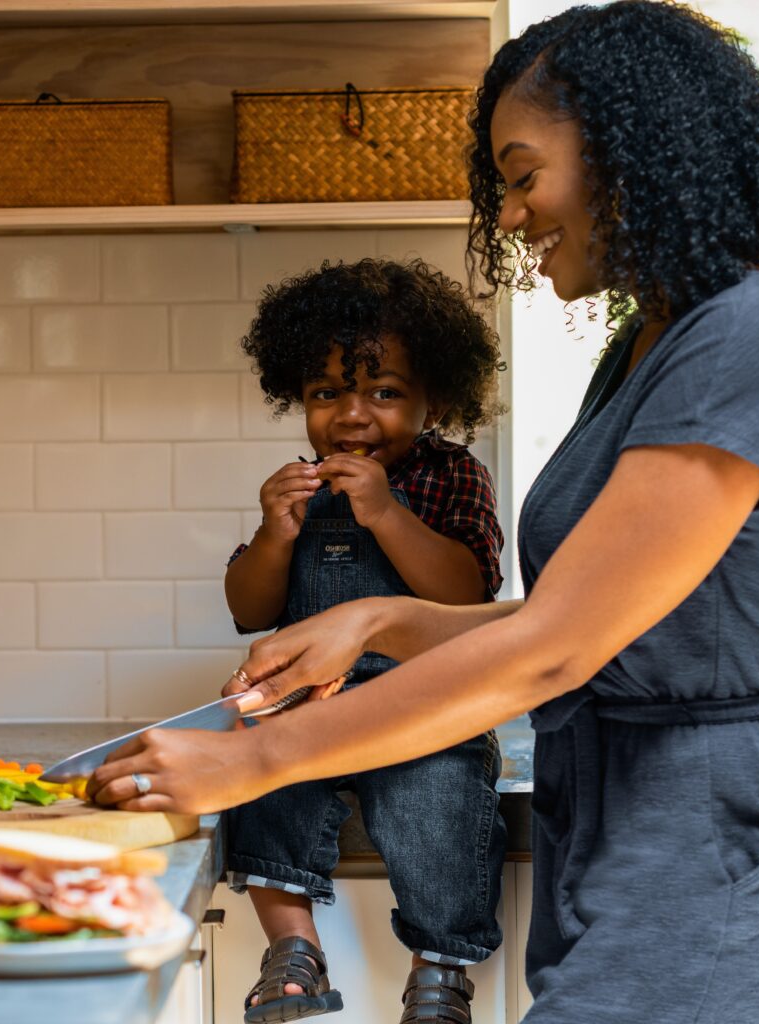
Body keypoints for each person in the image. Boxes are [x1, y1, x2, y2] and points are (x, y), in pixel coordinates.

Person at [88, 4, 759, 1023]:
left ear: (625, 153)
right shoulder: (647, 349)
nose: (506, 214)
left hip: (720, 844)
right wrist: (379, 619)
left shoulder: (748, 338)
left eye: (521, 173)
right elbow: (611, 620)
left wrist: (250, 759)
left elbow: (557, 649)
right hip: (626, 834)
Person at [222, 257, 508, 1023]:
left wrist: (386, 514)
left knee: (436, 803)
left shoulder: (454, 477)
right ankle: (293, 951)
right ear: (299, 399)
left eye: (384, 391)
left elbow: (468, 592)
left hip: (427, 712)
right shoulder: (301, 487)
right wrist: (274, 536)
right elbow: (250, 608)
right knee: (258, 777)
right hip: (315, 706)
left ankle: (439, 974)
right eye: (326, 394)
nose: (352, 415)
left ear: (434, 397)